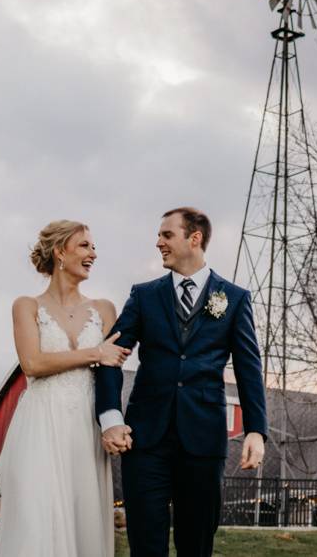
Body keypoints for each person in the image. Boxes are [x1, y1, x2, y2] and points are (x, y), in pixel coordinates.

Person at [96, 207, 268, 557]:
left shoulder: (233, 299)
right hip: (145, 441)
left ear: (195, 238)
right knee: (146, 545)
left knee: (196, 545)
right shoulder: (144, 295)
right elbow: (109, 355)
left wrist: (255, 429)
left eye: (166, 235)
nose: (158, 242)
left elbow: (249, 367)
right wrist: (111, 417)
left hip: (203, 442)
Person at [0, 221, 131, 557]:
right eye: (84, 246)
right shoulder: (26, 305)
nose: (93, 254)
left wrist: (114, 420)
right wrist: (95, 353)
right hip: (41, 423)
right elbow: (33, 364)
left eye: (93, 247)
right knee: (36, 517)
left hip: (85, 425)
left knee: (83, 516)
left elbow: (113, 371)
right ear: (59, 252)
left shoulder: (104, 309)